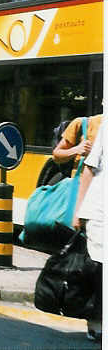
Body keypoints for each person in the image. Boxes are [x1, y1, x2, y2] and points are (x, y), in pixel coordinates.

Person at [72, 121, 104, 342]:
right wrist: (78, 211)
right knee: (100, 272)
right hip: (101, 213)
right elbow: (89, 169)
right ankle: (97, 322)